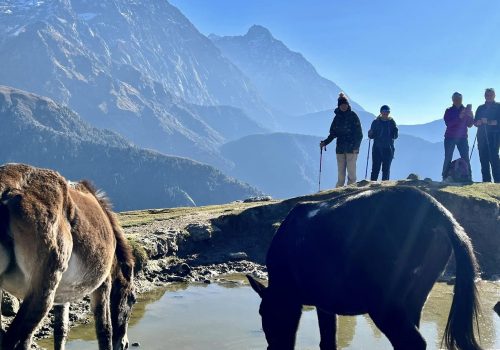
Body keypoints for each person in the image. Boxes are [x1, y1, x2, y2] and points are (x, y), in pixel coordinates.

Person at [320, 92, 363, 187]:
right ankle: (338, 192)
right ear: (339, 106)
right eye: (342, 105)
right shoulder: (337, 118)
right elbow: (333, 134)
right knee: (341, 174)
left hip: (351, 149)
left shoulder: (353, 116)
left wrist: (356, 147)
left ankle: (350, 193)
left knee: (351, 174)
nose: (344, 106)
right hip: (340, 149)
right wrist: (325, 142)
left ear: (348, 105)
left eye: (345, 105)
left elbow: (359, 134)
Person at [441, 92, 474, 182]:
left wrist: (471, 116)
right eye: (455, 99)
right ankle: (444, 177)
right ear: (452, 100)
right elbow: (448, 123)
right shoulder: (449, 111)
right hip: (450, 137)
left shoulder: (465, 110)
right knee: (448, 157)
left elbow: (470, 124)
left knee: (465, 157)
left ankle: (469, 177)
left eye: (458, 99)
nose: (457, 101)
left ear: (461, 99)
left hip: (462, 137)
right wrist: (459, 117)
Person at [474, 88, 500, 183]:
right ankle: (486, 183)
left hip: (494, 137)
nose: (488, 97)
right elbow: (475, 122)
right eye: (487, 95)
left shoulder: (498, 107)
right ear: (484, 96)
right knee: (483, 160)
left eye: (490, 95)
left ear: (494, 96)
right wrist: (478, 122)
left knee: (494, 160)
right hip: (481, 137)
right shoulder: (480, 108)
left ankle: (498, 183)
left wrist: (487, 122)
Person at [368, 105, 398, 181]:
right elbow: (372, 136)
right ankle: (374, 187)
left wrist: (396, 130)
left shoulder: (391, 122)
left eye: (387, 112)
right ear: (381, 112)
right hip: (378, 149)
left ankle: (382, 189)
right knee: (376, 169)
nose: (385, 113)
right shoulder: (376, 122)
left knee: (386, 170)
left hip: (387, 149)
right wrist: (370, 134)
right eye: (384, 111)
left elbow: (395, 136)